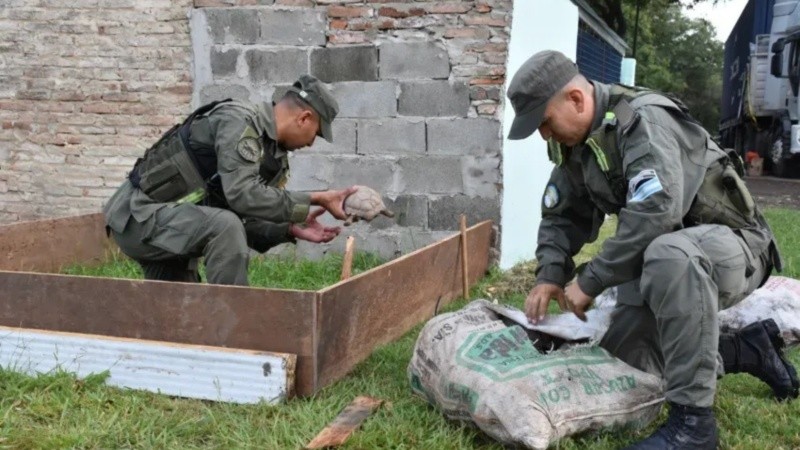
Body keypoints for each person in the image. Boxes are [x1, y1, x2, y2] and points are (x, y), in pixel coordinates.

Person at [506, 50, 798, 449]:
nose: (544, 135)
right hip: (670, 260)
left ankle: (693, 426)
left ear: (575, 100)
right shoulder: (579, 145)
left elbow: (656, 213)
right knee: (629, 364)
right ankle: (746, 350)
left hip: (735, 247)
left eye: (544, 122)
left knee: (668, 255)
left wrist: (589, 282)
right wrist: (549, 275)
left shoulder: (642, 120)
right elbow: (563, 216)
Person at [103, 74, 356, 286]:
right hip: (137, 217)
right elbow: (242, 196)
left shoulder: (273, 160)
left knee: (183, 318)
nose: (312, 143)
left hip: (170, 228)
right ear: (304, 119)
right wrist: (315, 198)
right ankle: (235, 330)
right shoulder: (238, 121)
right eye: (316, 134)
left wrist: (289, 228)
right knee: (224, 226)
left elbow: (244, 217)